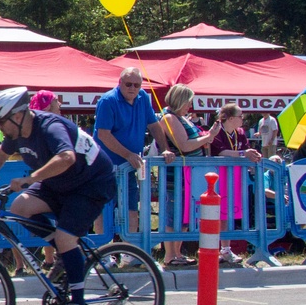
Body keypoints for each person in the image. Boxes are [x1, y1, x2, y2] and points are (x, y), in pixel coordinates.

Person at [0, 86, 116, 305]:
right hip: (60, 183)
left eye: (1, 123)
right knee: (20, 207)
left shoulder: (50, 127)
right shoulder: (16, 132)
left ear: (17, 116)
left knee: (65, 237)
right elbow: (0, 155)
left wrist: (32, 178)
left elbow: (67, 157)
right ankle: (65, 252)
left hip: (91, 183)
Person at [93, 67, 176, 235]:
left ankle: (129, 253)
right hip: (105, 167)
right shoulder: (108, 101)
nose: (132, 88)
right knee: (104, 211)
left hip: (130, 167)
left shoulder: (143, 98)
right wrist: (128, 154)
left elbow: (154, 125)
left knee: (132, 209)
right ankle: (103, 252)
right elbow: (103, 134)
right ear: (120, 83)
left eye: (137, 85)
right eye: (128, 84)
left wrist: (165, 149)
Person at [158, 83, 221, 266]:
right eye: (188, 102)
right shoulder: (169, 117)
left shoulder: (181, 117)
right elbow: (184, 145)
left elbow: (194, 141)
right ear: (180, 100)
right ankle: (170, 255)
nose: (189, 107)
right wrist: (208, 138)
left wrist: (209, 135)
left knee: (185, 213)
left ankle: (178, 252)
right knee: (173, 213)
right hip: (176, 175)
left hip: (189, 174)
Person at [209, 103, 261, 265]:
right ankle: (211, 250)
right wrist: (242, 154)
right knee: (213, 215)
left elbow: (245, 150)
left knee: (227, 214)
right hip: (217, 177)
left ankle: (225, 249)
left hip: (235, 177)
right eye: (240, 116)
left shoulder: (240, 132)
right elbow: (221, 152)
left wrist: (252, 155)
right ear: (230, 118)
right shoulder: (217, 130)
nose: (242, 119)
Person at [28, 91, 62, 270]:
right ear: (48, 106)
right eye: (57, 101)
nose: (60, 105)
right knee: (22, 208)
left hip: (68, 183)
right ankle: (52, 257)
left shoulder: (55, 126)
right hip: (52, 182)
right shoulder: (47, 127)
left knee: (66, 236)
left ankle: (61, 256)